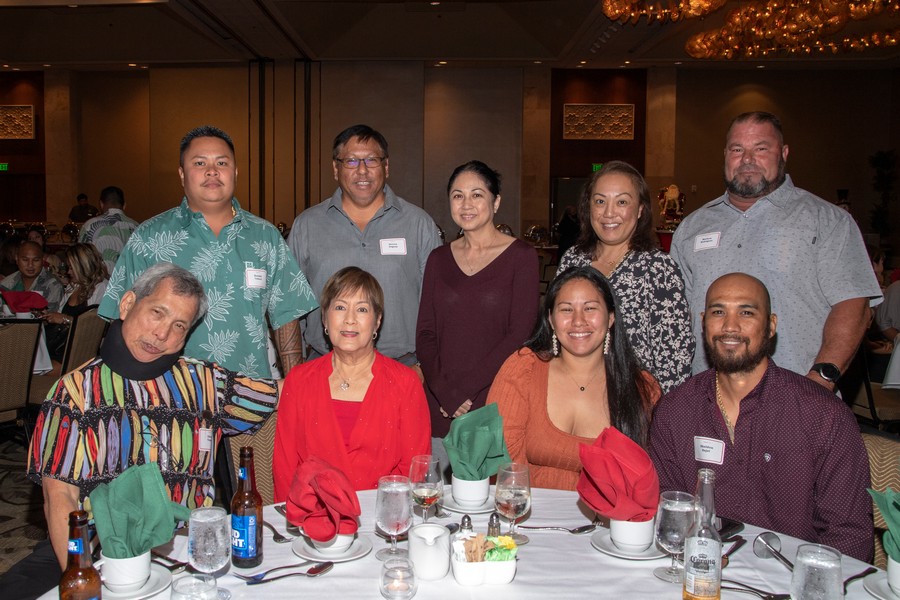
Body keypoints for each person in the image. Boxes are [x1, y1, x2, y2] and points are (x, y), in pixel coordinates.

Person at [16, 263, 278, 597]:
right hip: (105, 552)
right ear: (127, 305)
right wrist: (83, 574)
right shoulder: (73, 393)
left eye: (179, 325)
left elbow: (287, 392)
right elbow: (60, 498)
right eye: (157, 313)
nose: (162, 334)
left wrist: (342, 364)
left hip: (187, 547)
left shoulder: (206, 383)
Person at [649, 273, 872, 562]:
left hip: (791, 576)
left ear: (770, 326)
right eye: (718, 312)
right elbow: (669, 511)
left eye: (746, 313)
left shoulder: (822, 415)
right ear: (703, 322)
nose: (730, 326)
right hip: (699, 570)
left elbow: (849, 534)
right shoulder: (675, 410)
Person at [670, 112, 882, 388]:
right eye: (737, 149)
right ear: (725, 155)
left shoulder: (827, 221)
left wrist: (819, 382)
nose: (747, 159)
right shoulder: (691, 228)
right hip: (708, 397)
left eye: (761, 149)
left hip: (799, 395)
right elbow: (675, 319)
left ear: (783, 153)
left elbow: (853, 305)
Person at [98, 125, 316, 379]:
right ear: (182, 174)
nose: (212, 171)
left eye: (222, 163)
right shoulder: (149, 237)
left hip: (250, 391)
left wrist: (296, 388)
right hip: (169, 390)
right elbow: (120, 318)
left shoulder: (265, 236)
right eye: (200, 163)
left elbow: (286, 316)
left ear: (235, 172)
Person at [487, 266, 660, 490]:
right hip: (529, 508)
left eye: (590, 308)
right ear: (551, 319)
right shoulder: (523, 370)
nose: (578, 321)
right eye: (567, 309)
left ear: (610, 317)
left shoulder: (641, 389)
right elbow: (505, 469)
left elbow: (646, 481)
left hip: (609, 513)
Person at [416, 161, 539, 473]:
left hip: (492, 399)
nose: (466, 204)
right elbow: (426, 333)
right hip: (440, 403)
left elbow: (519, 334)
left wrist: (464, 391)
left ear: (496, 202)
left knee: (486, 495)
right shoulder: (438, 258)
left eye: (477, 195)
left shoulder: (522, 257)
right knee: (436, 495)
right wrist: (444, 391)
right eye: (458, 196)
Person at [287, 124, 441, 370]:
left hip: (402, 368)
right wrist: (296, 371)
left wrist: (424, 368)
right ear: (335, 169)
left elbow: (438, 305)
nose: (362, 170)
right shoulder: (307, 225)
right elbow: (289, 307)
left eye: (371, 160)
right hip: (325, 368)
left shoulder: (418, 224)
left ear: (386, 167)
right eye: (351, 161)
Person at [273, 267, 430, 494]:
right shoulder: (298, 381)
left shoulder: (405, 383)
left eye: (362, 309)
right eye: (340, 307)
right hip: (312, 511)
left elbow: (415, 473)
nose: (349, 319)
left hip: (382, 511)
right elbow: (285, 469)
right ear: (325, 318)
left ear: (377, 321)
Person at [557, 161, 694, 393]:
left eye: (622, 202)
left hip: (634, 400)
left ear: (640, 209)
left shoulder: (658, 269)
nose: (609, 213)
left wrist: (660, 411)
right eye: (600, 201)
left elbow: (674, 361)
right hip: (573, 394)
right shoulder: (573, 260)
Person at [42, 243, 109, 362]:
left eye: (72, 268)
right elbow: (59, 318)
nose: (68, 272)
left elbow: (96, 329)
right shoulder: (73, 286)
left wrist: (65, 319)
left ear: (84, 267)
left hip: (80, 352)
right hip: (61, 346)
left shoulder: (101, 287)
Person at [79, 185, 139, 273]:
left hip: (98, 280)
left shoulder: (90, 225)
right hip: (130, 280)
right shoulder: (137, 227)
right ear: (124, 205)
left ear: (101, 204)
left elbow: (80, 260)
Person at [0, 240, 64, 311]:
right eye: (25, 260)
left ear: (43, 260)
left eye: (36, 260)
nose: (30, 265)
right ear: (17, 259)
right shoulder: (6, 284)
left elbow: (50, 315)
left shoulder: (53, 286)